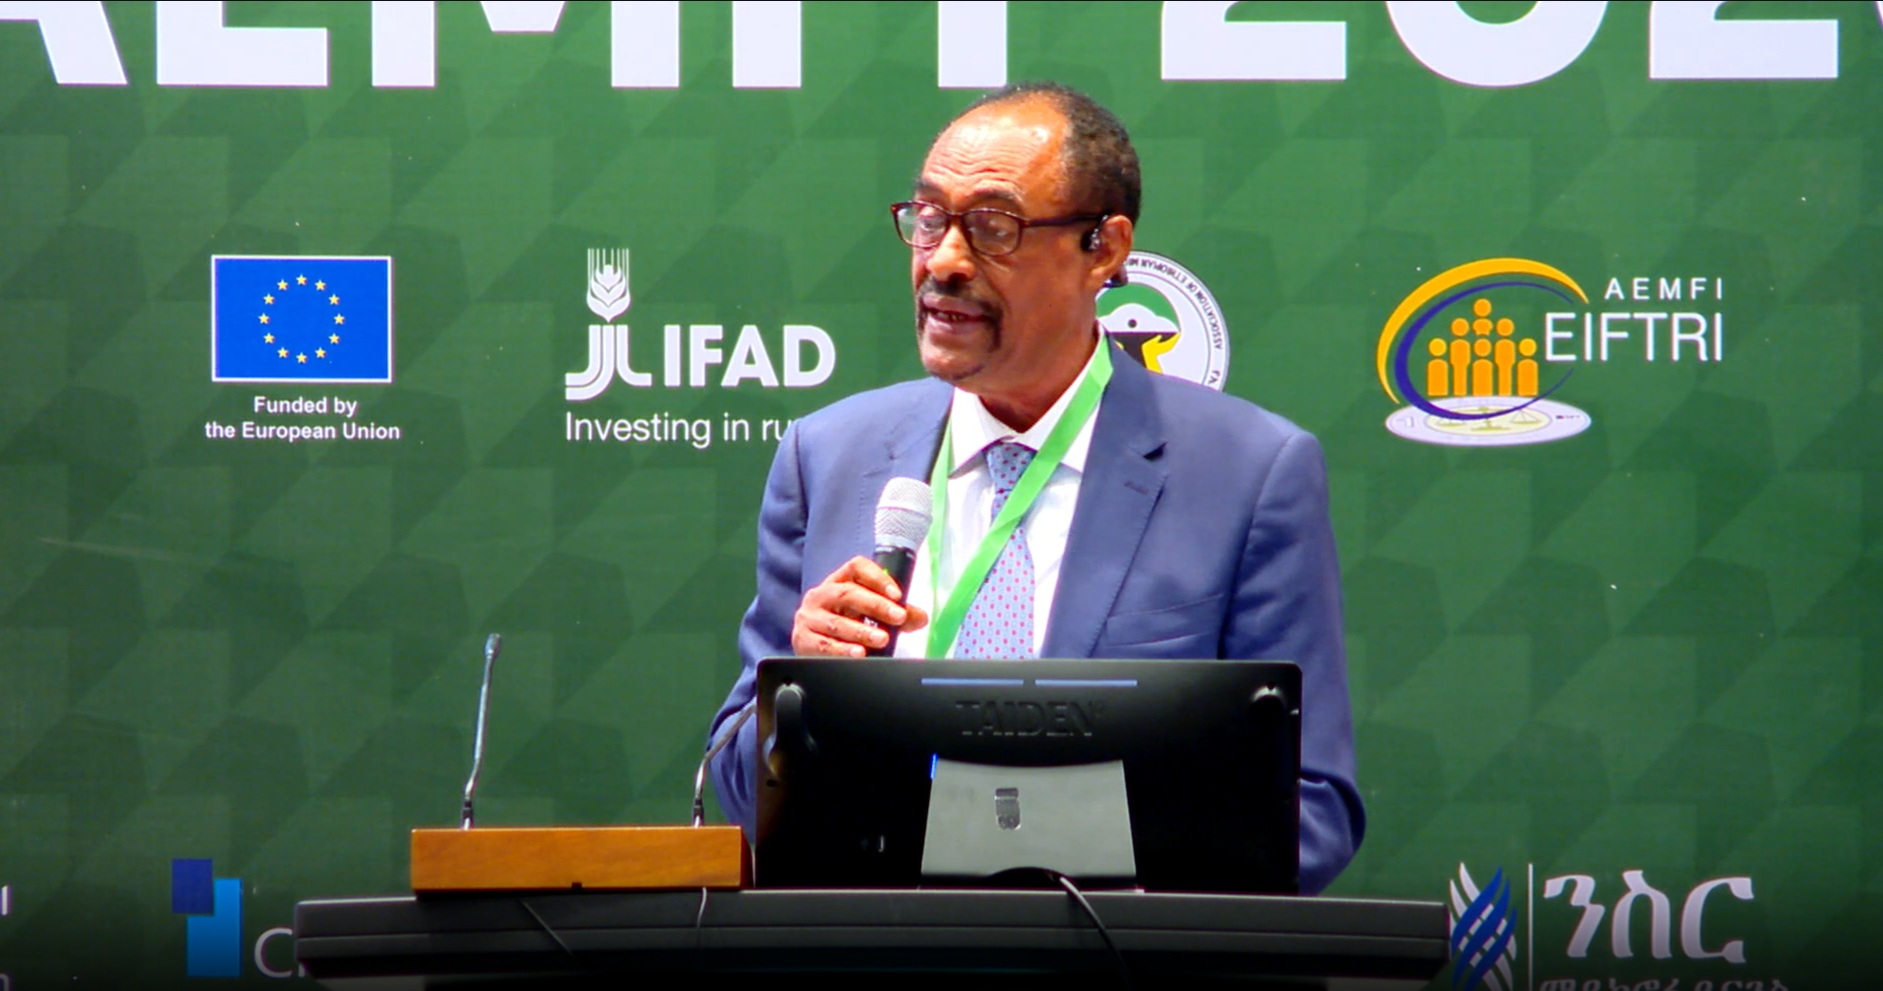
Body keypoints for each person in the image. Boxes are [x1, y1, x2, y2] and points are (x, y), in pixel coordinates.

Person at [708, 82, 1363, 894]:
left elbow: (1309, 810)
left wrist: (1059, 874)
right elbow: (737, 794)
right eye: (929, 218)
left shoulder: (1250, 474)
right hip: (881, 948)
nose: (943, 261)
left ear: (1104, 249)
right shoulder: (827, 456)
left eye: (993, 226)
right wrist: (798, 691)